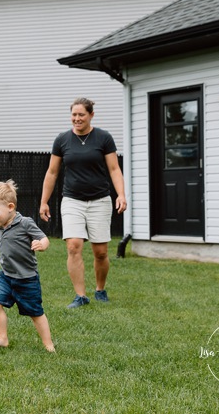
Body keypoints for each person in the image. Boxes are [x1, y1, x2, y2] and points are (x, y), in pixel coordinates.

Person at [40, 97, 127, 309]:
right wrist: (44, 201)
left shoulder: (103, 138)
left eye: (81, 115)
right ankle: (80, 296)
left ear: (91, 115)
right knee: (74, 246)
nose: (77, 118)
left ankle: (100, 289)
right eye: (74, 115)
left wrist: (121, 194)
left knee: (101, 252)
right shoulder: (62, 140)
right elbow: (52, 172)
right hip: (72, 200)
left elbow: (114, 169)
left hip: (99, 200)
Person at [0, 180, 54, 352]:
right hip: (6, 276)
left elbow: (44, 238)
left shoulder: (25, 223)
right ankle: (2, 337)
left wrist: (42, 245)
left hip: (27, 278)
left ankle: (48, 344)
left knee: (35, 313)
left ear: (10, 206)